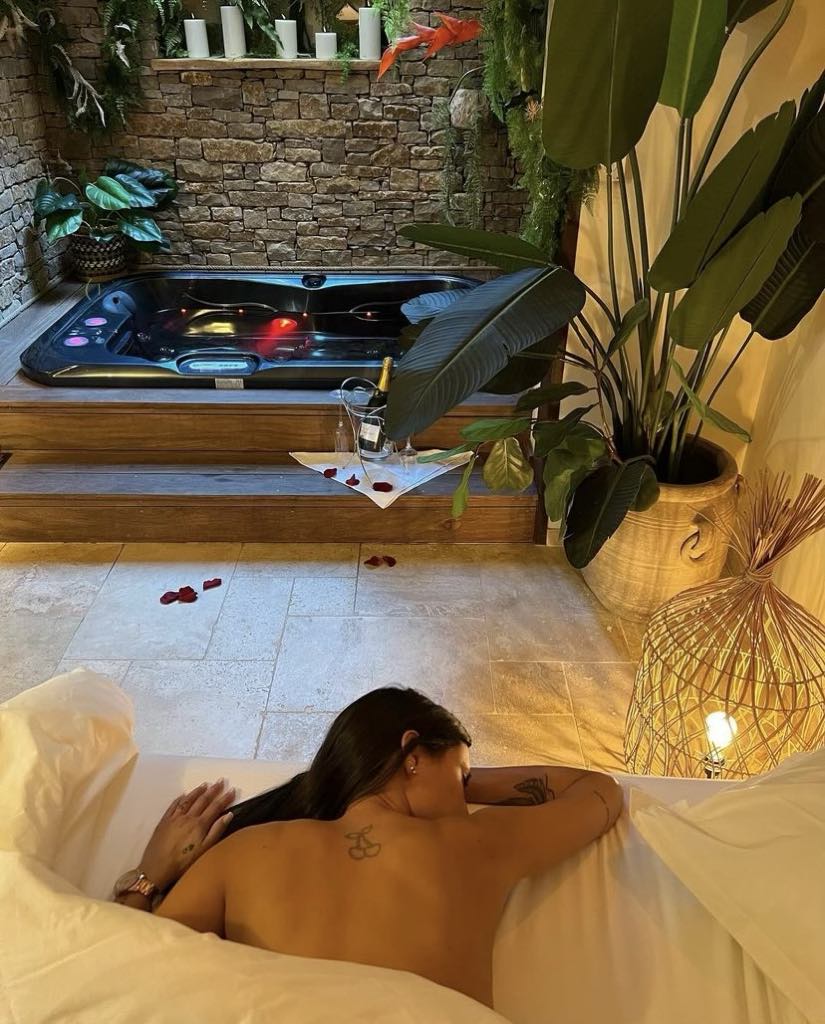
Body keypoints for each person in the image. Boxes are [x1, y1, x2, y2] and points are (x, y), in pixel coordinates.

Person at [113, 687, 623, 1010]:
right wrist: (462, 781)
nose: (465, 795)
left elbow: (131, 974)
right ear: (412, 754)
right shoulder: (475, 844)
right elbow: (600, 791)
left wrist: (147, 878)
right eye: (463, 775)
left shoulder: (243, 853)